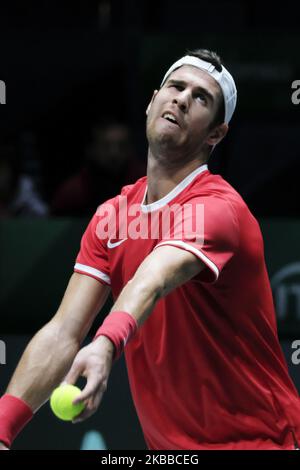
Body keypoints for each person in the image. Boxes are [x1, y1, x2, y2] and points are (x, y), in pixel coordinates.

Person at [1, 48, 300, 451]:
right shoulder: (112, 216)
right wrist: (3, 427)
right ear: (151, 103)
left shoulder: (218, 209)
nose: (181, 97)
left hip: (260, 442)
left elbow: (154, 277)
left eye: (200, 97)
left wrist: (105, 345)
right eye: (175, 86)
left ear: (216, 134)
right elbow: (63, 332)